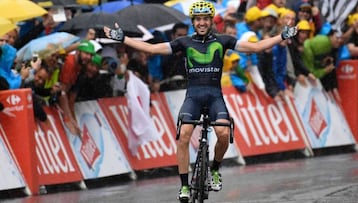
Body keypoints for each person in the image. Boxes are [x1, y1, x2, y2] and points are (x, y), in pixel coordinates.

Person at [103, 1, 297, 201]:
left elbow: (255, 47)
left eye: (205, 19)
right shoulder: (184, 42)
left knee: (223, 133)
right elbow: (152, 50)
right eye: (198, 19)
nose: (202, 23)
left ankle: (214, 170)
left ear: (211, 21)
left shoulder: (223, 40)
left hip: (214, 96)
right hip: (193, 97)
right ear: (193, 22)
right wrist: (123, 38)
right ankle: (185, 186)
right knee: (184, 136)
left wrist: (282, 36)